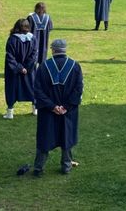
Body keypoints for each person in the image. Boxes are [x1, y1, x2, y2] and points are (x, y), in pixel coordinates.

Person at [32, 39, 83, 176]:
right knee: (66, 136)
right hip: (68, 111)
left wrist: (52, 106)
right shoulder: (75, 66)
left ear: (52, 50)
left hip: (48, 111)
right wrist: (66, 107)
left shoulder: (43, 67)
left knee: (45, 137)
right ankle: (66, 166)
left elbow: (37, 90)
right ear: (65, 49)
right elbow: (78, 89)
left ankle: (38, 168)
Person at [3, 19, 38, 119]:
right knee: (31, 86)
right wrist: (26, 67)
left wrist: (20, 68)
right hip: (29, 70)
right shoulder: (33, 39)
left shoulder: (12, 39)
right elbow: (34, 55)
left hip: (14, 71)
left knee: (12, 88)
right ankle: (35, 109)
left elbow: (10, 56)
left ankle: (10, 112)